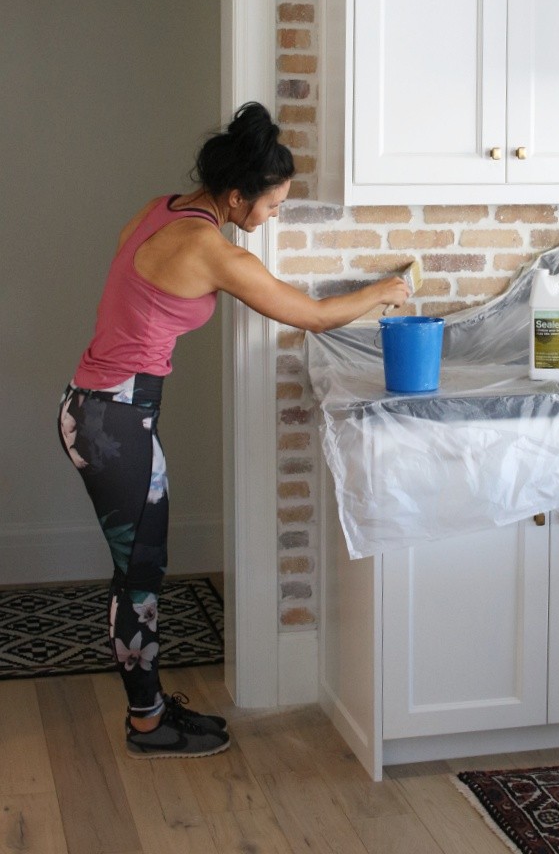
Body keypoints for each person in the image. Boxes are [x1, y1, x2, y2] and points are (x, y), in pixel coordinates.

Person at [57, 101, 409, 759]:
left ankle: (152, 708)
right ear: (238, 196)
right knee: (140, 573)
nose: (274, 216)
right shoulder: (212, 251)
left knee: (142, 567)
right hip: (114, 420)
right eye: (273, 206)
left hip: (96, 405)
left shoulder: (160, 209)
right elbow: (312, 314)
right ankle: (146, 726)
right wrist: (383, 290)